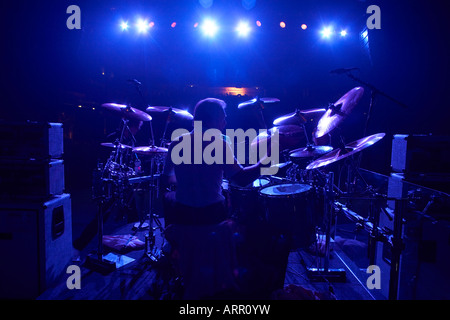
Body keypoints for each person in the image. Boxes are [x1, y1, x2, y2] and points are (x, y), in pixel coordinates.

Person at [161, 97, 264, 226]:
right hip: (211, 213)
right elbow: (241, 180)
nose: (225, 123)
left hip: (183, 213)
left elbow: (167, 179)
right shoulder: (220, 144)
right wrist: (266, 161)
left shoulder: (176, 143)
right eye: (223, 119)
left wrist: (188, 178)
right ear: (213, 120)